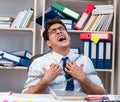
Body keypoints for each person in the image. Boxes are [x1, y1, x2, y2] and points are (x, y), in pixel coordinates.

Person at [22, 18, 105, 94]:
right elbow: (26, 94)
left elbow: (101, 93)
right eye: (53, 31)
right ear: (49, 43)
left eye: (61, 29)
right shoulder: (39, 63)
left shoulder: (85, 61)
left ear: (68, 36)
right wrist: (45, 81)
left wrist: (83, 78)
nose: (59, 31)